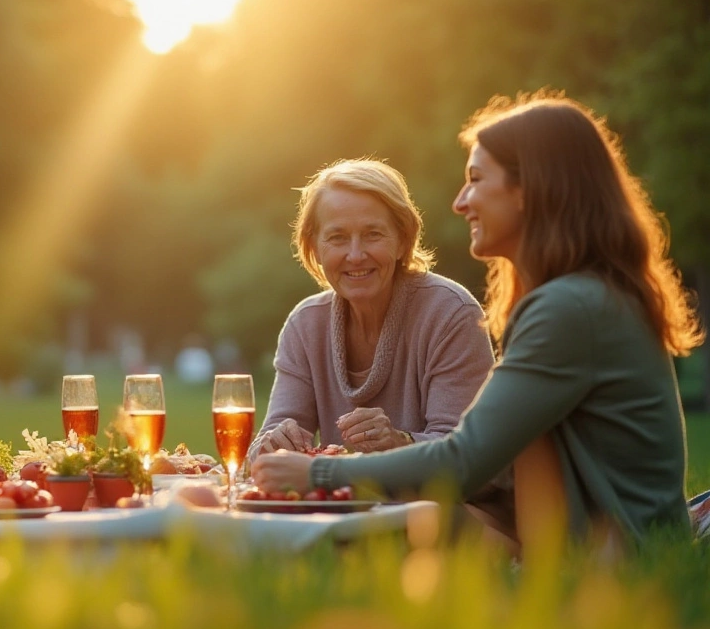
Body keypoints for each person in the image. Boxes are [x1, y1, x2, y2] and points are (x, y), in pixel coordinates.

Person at [252, 93, 702, 548]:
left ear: (530, 190)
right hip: (594, 547)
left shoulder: (570, 309)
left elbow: (465, 462)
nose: (460, 202)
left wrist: (317, 471)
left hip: (617, 562)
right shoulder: (579, 297)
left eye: (476, 179)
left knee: (395, 528)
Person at [248, 159, 494, 459]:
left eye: (372, 234)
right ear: (314, 247)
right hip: (347, 504)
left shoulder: (451, 314)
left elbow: (465, 458)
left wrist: (399, 441)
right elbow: (263, 453)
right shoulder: (306, 325)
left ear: (403, 239)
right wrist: (272, 445)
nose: (355, 255)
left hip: (443, 504)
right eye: (337, 237)